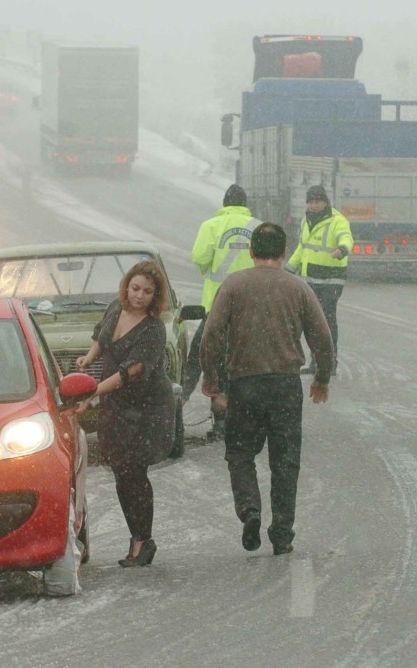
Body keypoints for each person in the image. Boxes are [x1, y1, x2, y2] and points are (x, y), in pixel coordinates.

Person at [200, 222, 334, 556]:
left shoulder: (234, 285)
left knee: (241, 454)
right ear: (284, 252)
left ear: (251, 252)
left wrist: (211, 377)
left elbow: (212, 334)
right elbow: (322, 337)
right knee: (285, 461)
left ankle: (250, 510)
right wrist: (322, 378)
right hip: (285, 384)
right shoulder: (298, 288)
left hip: (244, 383)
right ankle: (282, 533)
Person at [75, 260, 174, 567]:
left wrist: (92, 393)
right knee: (120, 471)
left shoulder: (154, 328)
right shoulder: (115, 309)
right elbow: (100, 338)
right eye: (134, 288)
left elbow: (129, 372)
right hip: (115, 406)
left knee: (134, 472)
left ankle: (143, 540)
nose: (139, 296)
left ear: (155, 295)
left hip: (145, 407)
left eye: (147, 291)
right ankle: (138, 538)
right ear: (126, 286)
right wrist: (88, 358)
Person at [183, 184, 261, 442]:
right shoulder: (257, 228)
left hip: (216, 309)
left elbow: (199, 257)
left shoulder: (211, 226)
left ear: (225, 203)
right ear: (245, 203)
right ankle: (247, 419)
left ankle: (190, 413)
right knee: (245, 365)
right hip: (250, 310)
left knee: (205, 361)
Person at [286, 185, 352, 375]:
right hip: (312, 280)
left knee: (327, 321)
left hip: (332, 279)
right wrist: (288, 269)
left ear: (325, 202)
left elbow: (346, 238)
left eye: (317, 202)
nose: (314, 205)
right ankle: (316, 362)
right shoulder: (306, 221)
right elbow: (303, 247)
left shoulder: (337, 220)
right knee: (313, 323)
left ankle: (329, 364)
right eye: (311, 202)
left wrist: (343, 249)